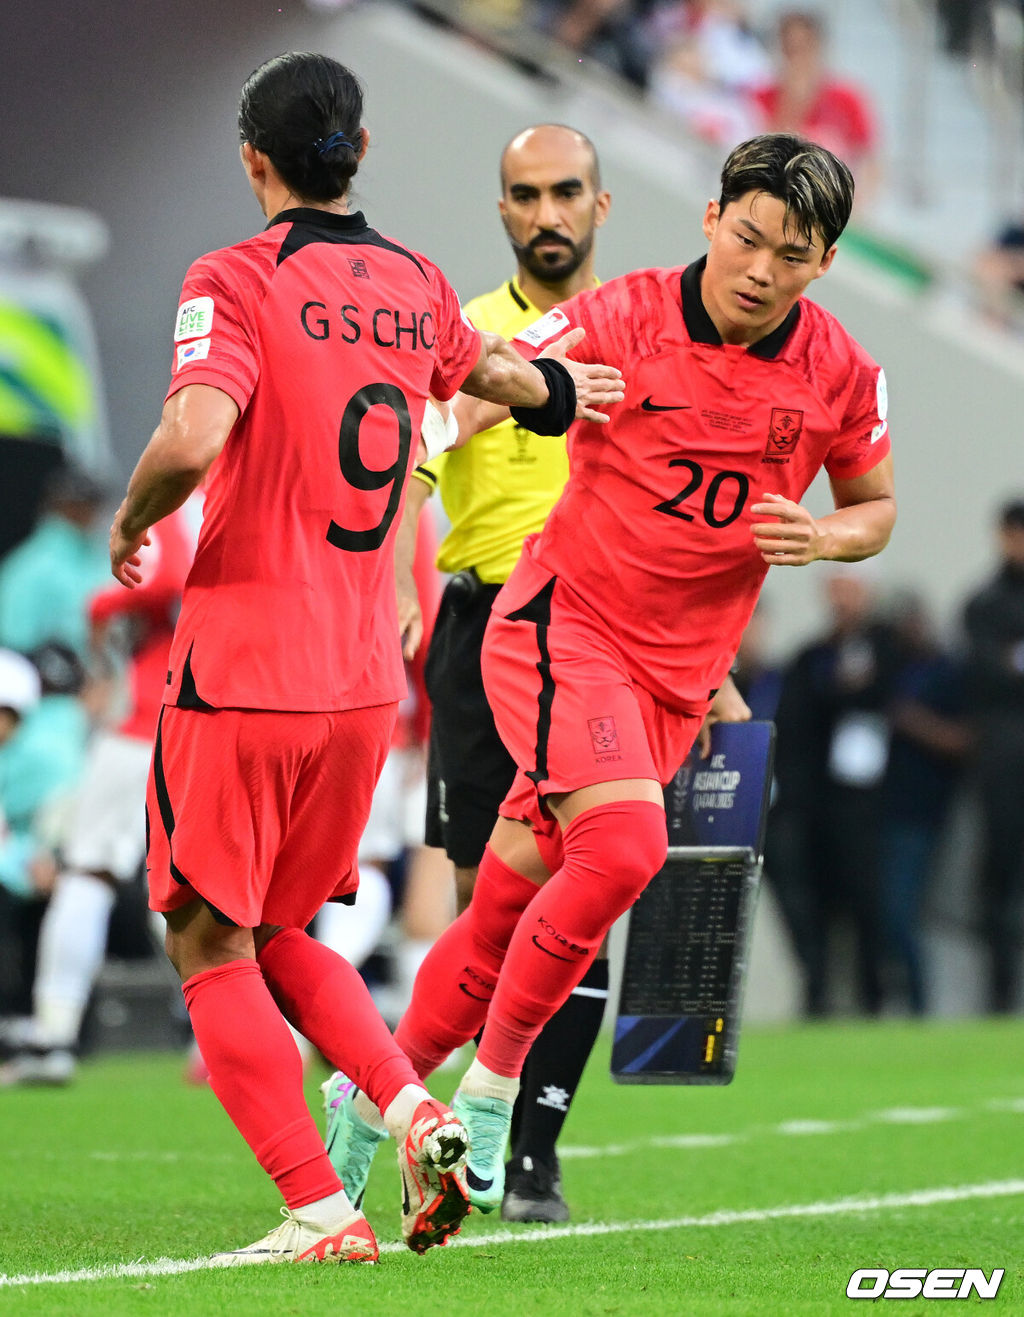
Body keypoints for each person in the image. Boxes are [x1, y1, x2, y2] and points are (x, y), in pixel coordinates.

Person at [106, 52, 622, 1266]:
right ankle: (416, 1110)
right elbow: (492, 375)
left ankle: (320, 1208)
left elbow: (192, 432)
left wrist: (135, 523)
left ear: (254, 161)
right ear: (364, 150)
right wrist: (560, 388)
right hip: (358, 681)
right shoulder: (416, 280)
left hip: (240, 661)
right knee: (284, 933)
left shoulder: (233, 276)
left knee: (203, 933)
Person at [326, 131, 896, 1212]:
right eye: (747, 236)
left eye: (791, 251)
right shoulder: (619, 315)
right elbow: (480, 384)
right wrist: (429, 438)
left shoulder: (840, 370)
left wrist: (824, 540)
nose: (760, 269)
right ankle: (488, 1104)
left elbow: (874, 509)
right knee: (626, 845)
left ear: (824, 262)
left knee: (503, 911)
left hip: (678, 677)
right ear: (710, 220)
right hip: (559, 626)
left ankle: (364, 1105)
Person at [324, 123, 612, 1226]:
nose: (547, 213)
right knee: (489, 900)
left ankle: (527, 1152)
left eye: (565, 192)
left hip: (601, 638)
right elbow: (412, 455)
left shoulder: (632, 329)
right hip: (481, 626)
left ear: (600, 203)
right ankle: (403, 1097)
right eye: (525, 194)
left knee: (585, 890)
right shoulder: (464, 331)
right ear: (502, 209)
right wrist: (400, 585)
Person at [1, 500, 198, 1086]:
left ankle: (52, 1037)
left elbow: (149, 579)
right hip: (214, 726)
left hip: (145, 718)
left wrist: (99, 627)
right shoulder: (272, 502)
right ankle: (217, 1037)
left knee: (88, 873)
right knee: (194, 890)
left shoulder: (180, 504)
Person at [769, 564, 901, 1016]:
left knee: (868, 901)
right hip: (816, 804)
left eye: (848, 590)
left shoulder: (889, 647)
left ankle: (874, 997)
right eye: (834, 591)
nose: (840, 601)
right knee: (817, 902)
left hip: (870, 806)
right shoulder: (812, 657)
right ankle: (820, 996)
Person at [961, 497, 1024, 1013]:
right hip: (1003, 761)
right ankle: (1000, 994)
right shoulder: (984, 605)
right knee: (1000, 878)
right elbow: (990, 672)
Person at [750, 10, 881, 211]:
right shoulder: (764, 96)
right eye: (790, 48)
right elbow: (767, 151)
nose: (797, 57)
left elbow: (869, 158)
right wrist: (793, 100)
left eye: (803, 47)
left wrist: (856, 201)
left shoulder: (847, 98)